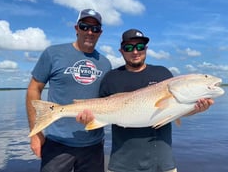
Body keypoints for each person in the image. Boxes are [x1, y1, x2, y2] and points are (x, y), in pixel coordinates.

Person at [77, 29, 214, 172]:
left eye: (140, 47)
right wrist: (87, 118)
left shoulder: (163, 74)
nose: (135, 52)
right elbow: (99, 111)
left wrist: (195, 109)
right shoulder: (111, 78)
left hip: (162, 164)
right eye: (129, 48)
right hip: (121, 164)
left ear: (146, 49)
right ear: (121, 51)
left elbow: (175, 112)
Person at [26, 9, 111, 172]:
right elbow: (33, 89)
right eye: (84, 26)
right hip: (57, 143)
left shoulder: (106, 63)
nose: (90, 32)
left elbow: (107, 100)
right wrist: (35, 134)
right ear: (76, 28)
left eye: (95, 29)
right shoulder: (53, 53)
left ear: (100, 33)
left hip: (93, 145)